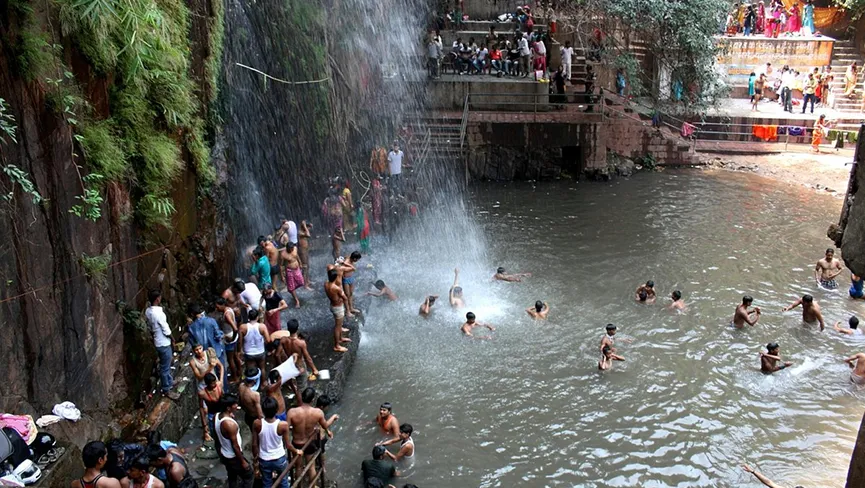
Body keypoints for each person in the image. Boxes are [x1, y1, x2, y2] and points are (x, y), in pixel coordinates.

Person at [287, 387, 339, 484]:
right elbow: (325, 425)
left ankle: (299, 486)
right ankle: (313, 485)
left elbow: (286, 428)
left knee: (298, 467)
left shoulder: (292, 412)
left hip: (297, 443)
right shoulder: (318, 412)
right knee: (311, 467)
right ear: (313, 399)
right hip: (309, 442)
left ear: (302, 397)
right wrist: (333, 418)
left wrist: (288, 444)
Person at [214, 395, 253, 488]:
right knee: (249, 476)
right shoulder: (230, 424)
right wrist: (243, 461)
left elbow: (217, 437)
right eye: (234, 404)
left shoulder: (217, 416)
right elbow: (235, 446)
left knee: (232, 476)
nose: (237, 405)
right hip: (233, 457)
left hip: (225, 454)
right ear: (228, 408)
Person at [145, 290, 178, 399]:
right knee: (165, 367)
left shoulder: (148, 312)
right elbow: (166, 330)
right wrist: (173, 339)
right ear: (157, 299)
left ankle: (169, 381)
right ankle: (167, 389)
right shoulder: (159, 313)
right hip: (164, 342)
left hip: (157, 341)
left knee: (165, 365)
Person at [252, 397, 291, 488]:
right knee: (283, 481)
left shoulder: (257, 423)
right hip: (279, 458)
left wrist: (255, 461)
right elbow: (288, 445)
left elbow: (254, 444)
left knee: (267, 482)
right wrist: (297, 451)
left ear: (263, 410)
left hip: (264, 458)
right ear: (277, 410)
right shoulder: (283, 425)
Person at [188, 304, 226, 382]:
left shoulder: (191, 327)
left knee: (210, 377)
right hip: (216, 351)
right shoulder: (211, 321)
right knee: (221, 372)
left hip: (204, 355)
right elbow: (218, 335)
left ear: (192, 314)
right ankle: (223, 389)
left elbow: (193, 343)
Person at [216, 297, 241, 384]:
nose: (217, 308)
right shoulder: (229, 309)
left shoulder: (227, 315)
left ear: (222, 305)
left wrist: (232, 338)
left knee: (230, 359)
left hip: (230, 337)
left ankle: (235, 377)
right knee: (235, 356)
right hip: (233, 336)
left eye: (217, 306)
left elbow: (235, 328)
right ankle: (239, 372)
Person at [325, 267, 350, 352]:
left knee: (339, 325)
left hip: (332, 305)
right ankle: (337, 345)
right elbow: (345, 298)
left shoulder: (326, 284)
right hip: (338, 308)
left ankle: (340, 338)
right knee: (338, 326)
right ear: (335, 277)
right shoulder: (336, 288)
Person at [197, 373, 223, 442]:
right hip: (212, 414)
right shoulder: (202, 393)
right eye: (212, 384)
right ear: (207, 384)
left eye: (215, 382)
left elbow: (224, 398)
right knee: (214, 433)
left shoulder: (219, 386)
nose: (214, 385)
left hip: (222, 411)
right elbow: (201, 407)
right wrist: (204, 424)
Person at [238, 368, 263, 432]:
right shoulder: (255, 394)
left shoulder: (241, 386)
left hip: (247, 415)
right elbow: (260, 414)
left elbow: (240, 402)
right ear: (255, 380)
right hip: (255, 417)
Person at [280, 242, 304, 308]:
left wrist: (300, 263)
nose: (292, 250)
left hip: (297, 269)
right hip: (289, 271)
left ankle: (291, 289)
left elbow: (297, 256)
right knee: (291, 287)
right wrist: (282, 275)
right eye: (290, 249)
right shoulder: (283, 254)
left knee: (301, 282)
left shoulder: (295, 248)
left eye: (292, 248)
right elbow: (281, 265)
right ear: (287, 248)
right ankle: (297, 301)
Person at [342, 251, 362, 316]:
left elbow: (345, 257)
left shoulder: (349, 259)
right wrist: (352, 267)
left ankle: (351, 308)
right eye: (357, 259)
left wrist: (351, 266)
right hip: (346, 279)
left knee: (351, 294)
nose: (357, 261)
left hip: (351, 278)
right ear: (354, 258)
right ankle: (347, 311)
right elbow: (344, 262)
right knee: (347, 295)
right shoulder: (346, 262)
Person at [297, 221, 314, 290]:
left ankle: (307, 280)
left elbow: (310, 229)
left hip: (306, 250)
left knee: (308, 266)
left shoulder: (304, 231)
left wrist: (307, 225)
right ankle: (305, 285)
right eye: (306, 226)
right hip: (302, 251)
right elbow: (308, 235)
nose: (308, 228)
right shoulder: (300, 232)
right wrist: (304, 225)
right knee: (305, 267)